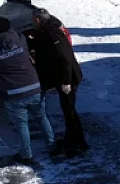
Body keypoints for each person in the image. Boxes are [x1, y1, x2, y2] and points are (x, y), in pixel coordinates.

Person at [0, 17, 54, 164]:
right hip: (34, 86)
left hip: (13, 93)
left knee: (22, 124)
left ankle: (27, 154)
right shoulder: (20, 38)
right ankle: (51, 145)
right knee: (42, 118)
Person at [29, 8, 87, 156]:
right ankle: (71, 139)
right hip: (62, 77)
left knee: (70, 111)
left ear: (37, 20)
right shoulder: (48, 28)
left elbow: (65, 58)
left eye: (33, 21)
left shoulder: (53, 34)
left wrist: (66, 81)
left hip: (68, 78)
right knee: (67, 110)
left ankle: (79, 143)